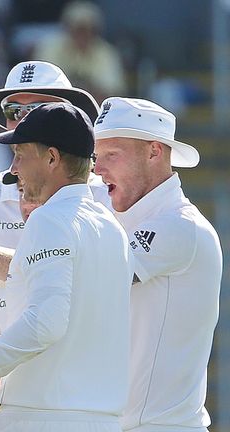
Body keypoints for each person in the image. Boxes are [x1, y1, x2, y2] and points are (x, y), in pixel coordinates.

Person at [0, 102, 133, 432]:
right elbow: (70, 334)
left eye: (20, 154)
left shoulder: (49, 219)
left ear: (51, 158)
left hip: (42, 420)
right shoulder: (109, 226)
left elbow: (45, 324)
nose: (14, 167)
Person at [0, 60, 105, 432]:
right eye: (13, 111)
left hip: (70, 396)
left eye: (35, 111)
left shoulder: (101, 196)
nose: (21, 122)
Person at [93, 97, 221, 432]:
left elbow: (79, 279)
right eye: (96, 156)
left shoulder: (179, 225)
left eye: (111, 155)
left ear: (154, 152)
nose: (97, 168)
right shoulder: (127, 218)